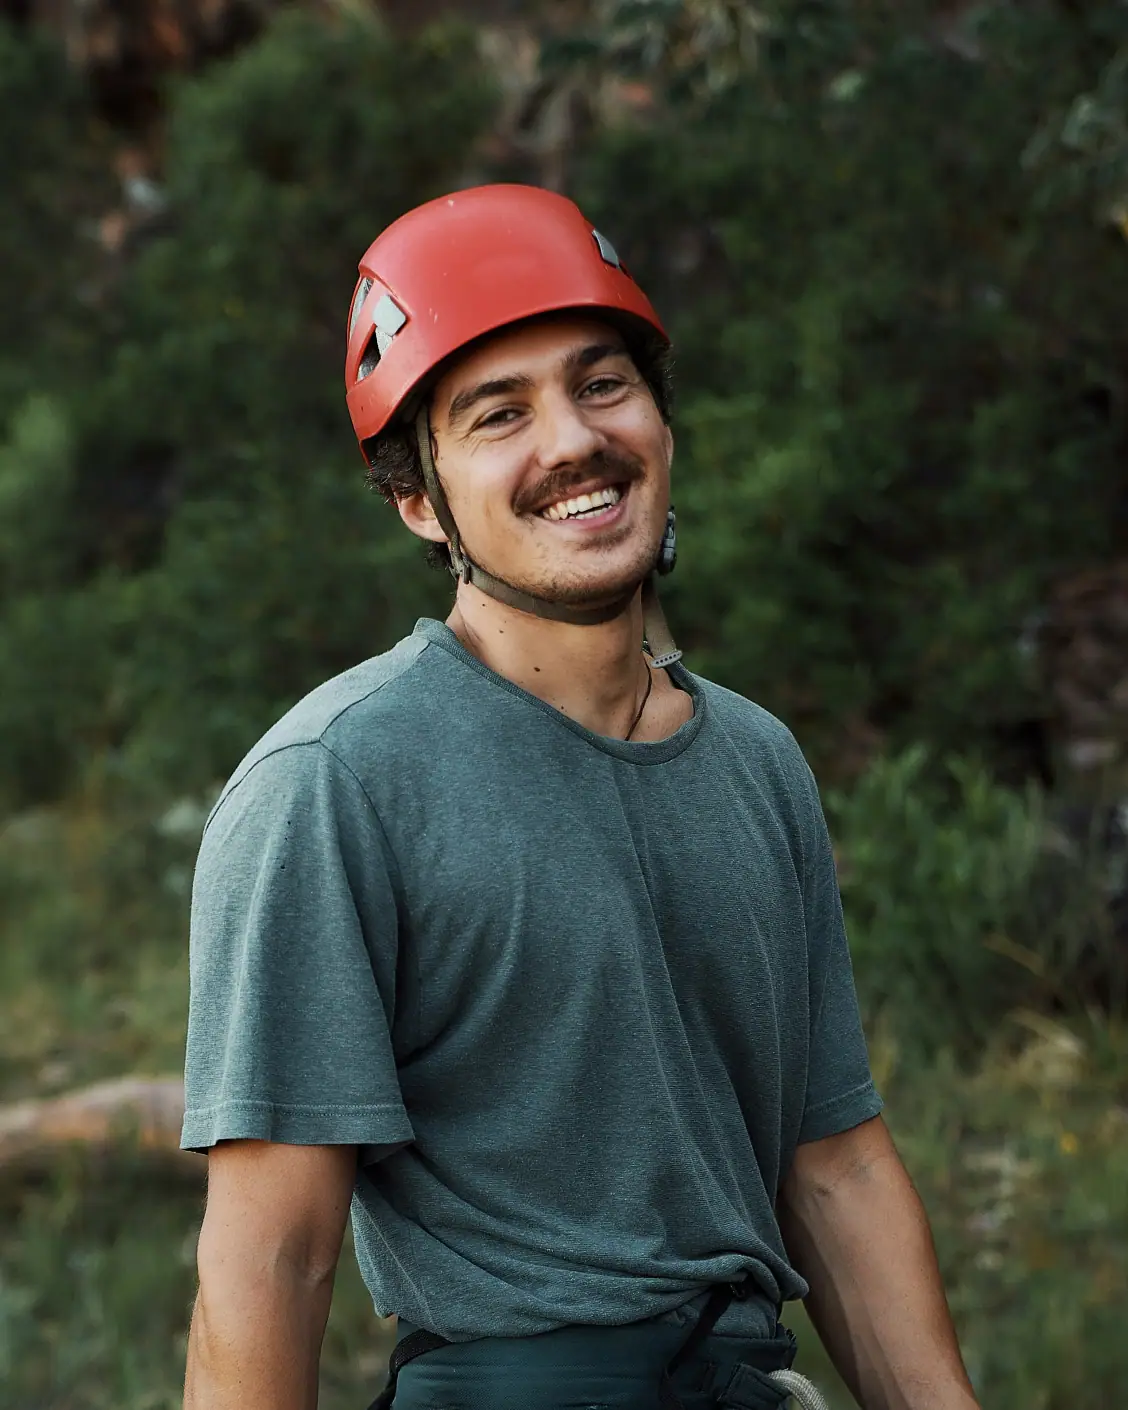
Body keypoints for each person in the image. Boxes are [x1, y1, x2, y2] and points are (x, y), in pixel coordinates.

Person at [180, 185, 982, 1410]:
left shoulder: (756, 760)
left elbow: (836, 1171)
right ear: (418, 501)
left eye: (602, 385)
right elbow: (271, 1259)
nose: (571, 441)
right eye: (499, 414)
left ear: (658, 419)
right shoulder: (337, 785)